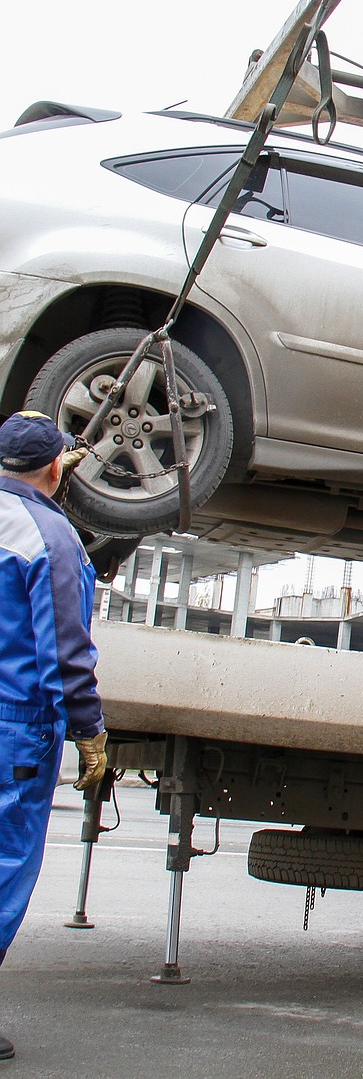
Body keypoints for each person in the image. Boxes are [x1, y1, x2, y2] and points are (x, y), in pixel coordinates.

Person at [0, 411, 107, 1061]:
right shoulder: (50, 537)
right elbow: (65, 650)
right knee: (4, 866)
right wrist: (89, 731)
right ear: (53, 468)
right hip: (14, 729)